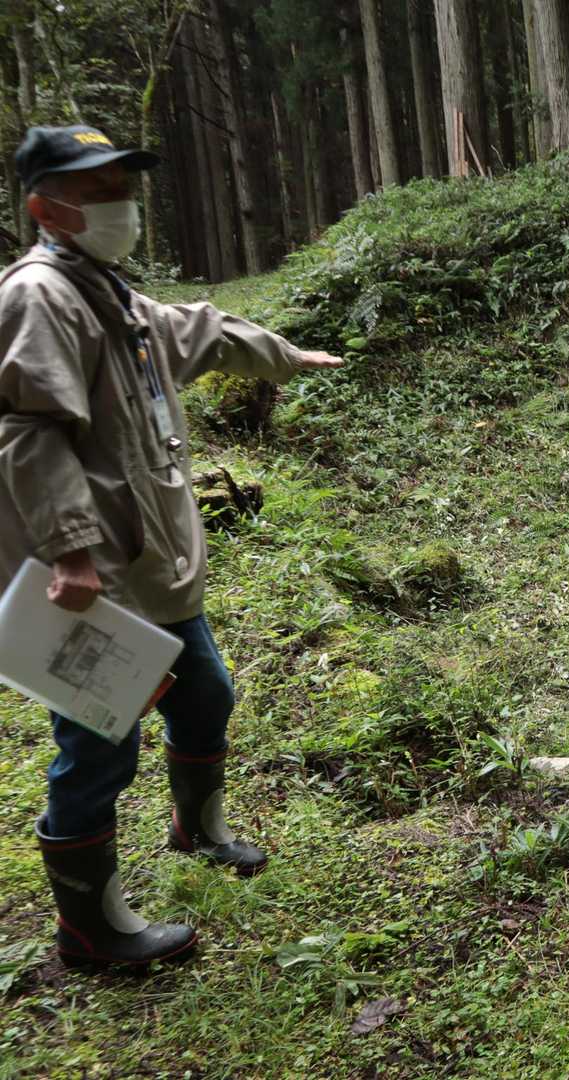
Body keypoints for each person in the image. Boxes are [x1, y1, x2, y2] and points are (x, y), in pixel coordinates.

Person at [0, 125, 343, 970]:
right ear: (46, 208)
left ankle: (200, 828)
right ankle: (91, 928)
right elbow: (30, 433)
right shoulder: (39, 295)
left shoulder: (108, 291)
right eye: (98, 191)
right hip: (94, 574)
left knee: (205, 694)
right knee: (99, 741)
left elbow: (199, 330)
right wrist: (71, 553)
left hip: (151, 565)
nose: (121, 205)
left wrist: (284, 355)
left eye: (124, 186)